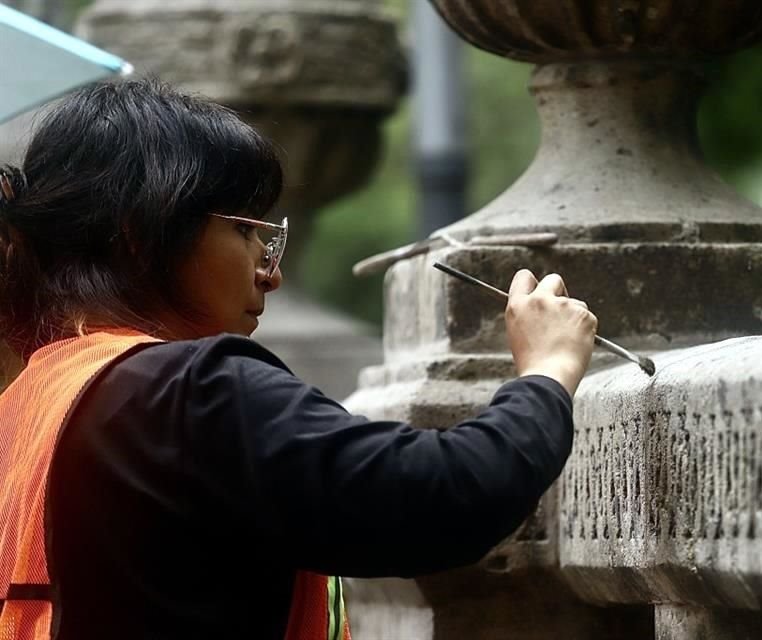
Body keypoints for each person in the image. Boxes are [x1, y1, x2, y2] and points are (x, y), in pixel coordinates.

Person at [0, 79, 598, 640]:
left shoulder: (27, 407)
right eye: (245, 231)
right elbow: (446, 495)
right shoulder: (190, 390)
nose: (271, 273)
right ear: (139, 234)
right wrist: (547, 371)